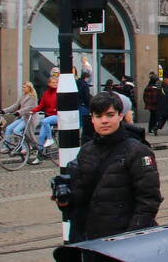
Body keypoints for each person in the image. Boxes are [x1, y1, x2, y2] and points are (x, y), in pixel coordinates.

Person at [54, 91, 162, 242]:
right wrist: (65, 201)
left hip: (121, 240)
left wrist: (130, 237)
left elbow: (149, 201)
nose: (104, 121)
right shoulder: (86, 151)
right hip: (89, 238)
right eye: (98, 116)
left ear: (120, 116)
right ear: (92, 119)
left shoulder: (137, 151)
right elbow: (80, 197)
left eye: (110, 115)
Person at [29, 73, 60, 163]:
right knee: (41, 136)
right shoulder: (46, 93)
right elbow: (41, 105)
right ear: (49, 84)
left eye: (56, 82)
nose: (55, 84)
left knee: (44, 121)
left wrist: (56, 109)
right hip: (49, 117)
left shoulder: (59, 92)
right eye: (53, 82)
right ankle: (39, 157)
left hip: (57, 116)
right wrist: (32, 111)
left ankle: (50, 139)